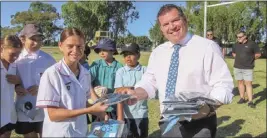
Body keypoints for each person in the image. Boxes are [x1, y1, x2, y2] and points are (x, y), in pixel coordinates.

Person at [116, 4, 234, 138]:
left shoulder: (207, 47)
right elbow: (150, 82)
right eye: (166, 24)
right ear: (161, 29)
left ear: (185, 20)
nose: (172, 27)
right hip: (168, 122)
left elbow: (224, 85)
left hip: (199, 124)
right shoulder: (158, 52)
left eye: (175, 20)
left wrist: (206, 108)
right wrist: (135, 93)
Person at [36, 28, 108, 137]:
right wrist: (89, 110)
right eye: (70, 46)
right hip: (58, 133)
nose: (75, 50)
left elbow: (79, 102)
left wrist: (98, 112)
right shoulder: (51, 74)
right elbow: (53, 114)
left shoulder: (85, 74)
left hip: (79, 132)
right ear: (60, 46)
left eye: (79, 46)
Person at [14, 24, 56, 137]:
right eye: (32, 39)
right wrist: (17, 86)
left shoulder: (48, 59)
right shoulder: (15, 58)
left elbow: (57, 82)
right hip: (23, 107)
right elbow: (10, 77)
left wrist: (41, 88)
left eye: (39, 40)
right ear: (23, 39)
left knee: (46, 134)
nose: (36, 43)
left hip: (44, 108)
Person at [114, 43, 148, 138]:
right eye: (125, 55)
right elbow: (118, 92)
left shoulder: (145, 71)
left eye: (131, 54)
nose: (128, 57)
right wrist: (120, 117)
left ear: (138, 55)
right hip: (125, 114)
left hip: (141, 113)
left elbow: (148, 89)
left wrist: (128, 89)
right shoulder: (120, 71)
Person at [90, 38, 123, 119]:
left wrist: (110, 101)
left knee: (111, 129)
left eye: (104, 50)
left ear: (112, 51)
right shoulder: (96, 64)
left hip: (112, 106)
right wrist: (95, 99)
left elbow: (120, 88)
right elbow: (87, 82)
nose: (101, 53)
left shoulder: (119, 67)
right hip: (97, 106)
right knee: (97, 130)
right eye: (100, 50)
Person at [0, 35, 23, 138]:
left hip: (9, 114)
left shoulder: (13, 65)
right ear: (1, 48)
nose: (15, 58)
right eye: (12, 54)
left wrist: (18, 83)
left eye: (18, 54)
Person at [232, 31, 261, 108]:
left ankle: (250, 101)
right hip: (237, 67)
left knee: (248, 83)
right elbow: (234, 53)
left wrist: (250, 60)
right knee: (240, 82)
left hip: (248, 68)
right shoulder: (236, 44)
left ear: (245, 36)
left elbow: (258, 54)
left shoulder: (252, 44)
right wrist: (239, 59)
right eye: (237, 37)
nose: (238, 38)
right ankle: (242, 98)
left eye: (240, 37)